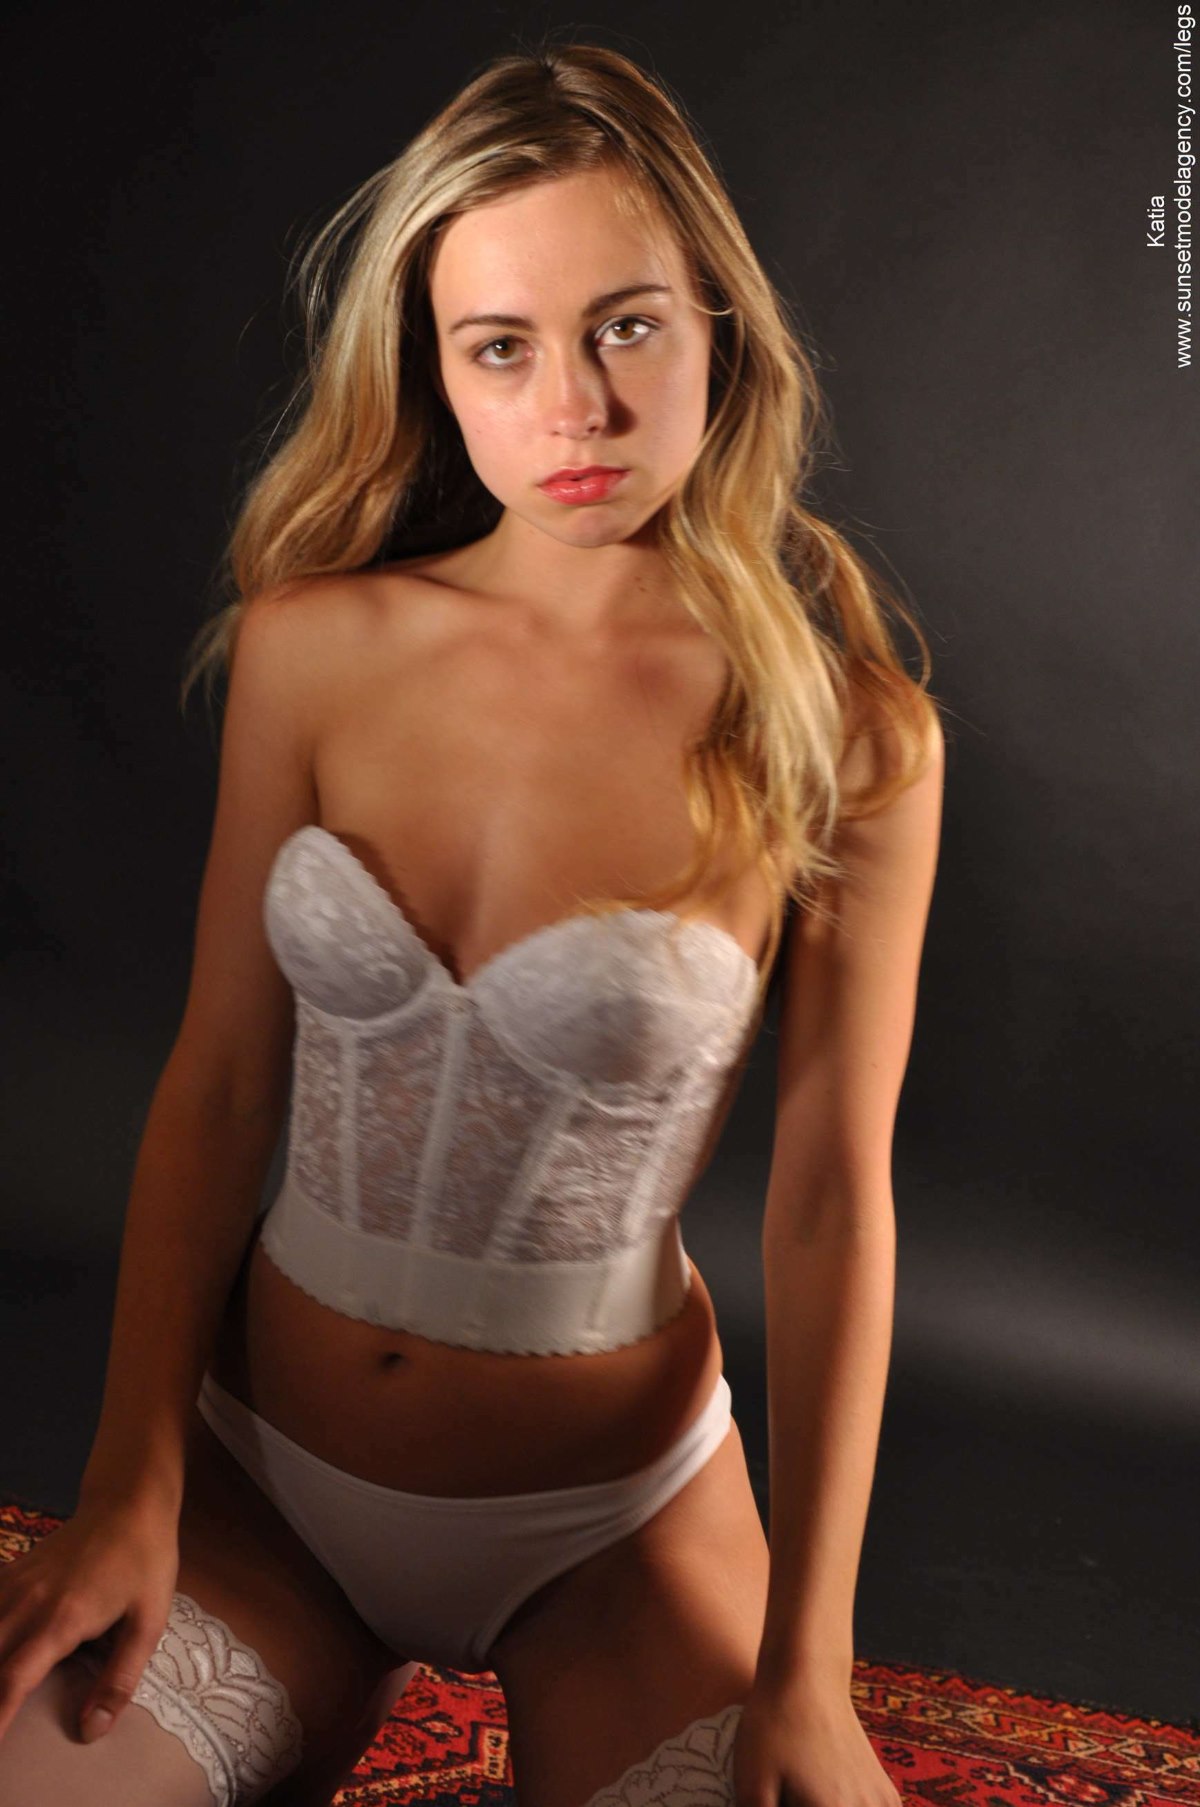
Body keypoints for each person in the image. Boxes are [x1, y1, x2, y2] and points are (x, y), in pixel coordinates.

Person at [0, 39, 944, 1807]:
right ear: (435, 373)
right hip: (262, 1481)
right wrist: (129, 1481)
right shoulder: (313, 648)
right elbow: (220, 1082)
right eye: (501, 347)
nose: (574, 407)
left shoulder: (844, 733)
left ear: (720, 327)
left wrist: (810, 1673)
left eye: (626, 327)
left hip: (613, 1530)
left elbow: (831, 1200)